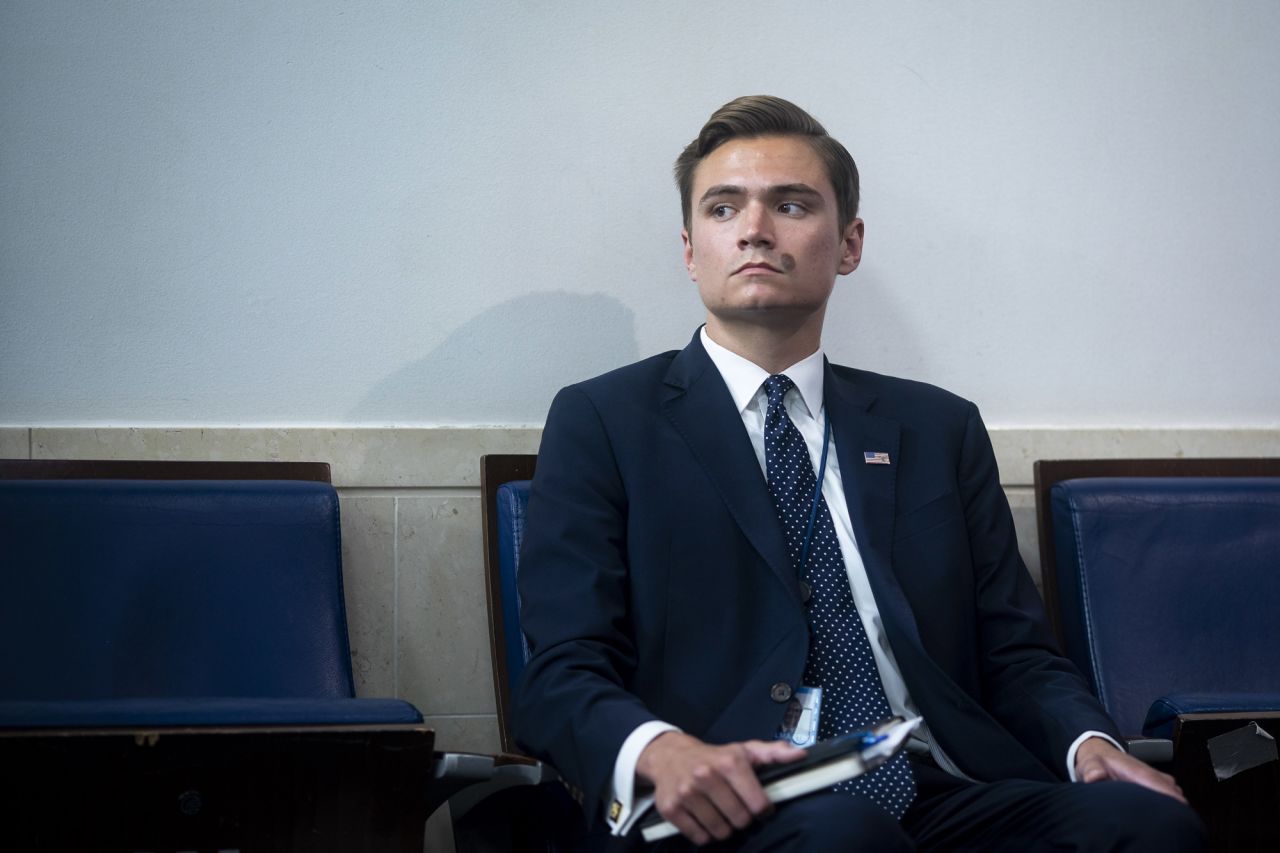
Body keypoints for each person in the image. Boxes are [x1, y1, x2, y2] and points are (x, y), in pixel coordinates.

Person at [513, 95, 1206, 851]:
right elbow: (560, 670)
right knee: (847, 836)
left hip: (938, 786)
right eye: (722, 208)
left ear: (848, 243)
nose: (754, 229)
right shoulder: (606, 421)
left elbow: (1015, 650)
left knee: (1148, 821)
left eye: (790, 204)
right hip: (723, 797)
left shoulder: (936, 428)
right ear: (689, 250)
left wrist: (1087, 744)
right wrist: (659, 748)